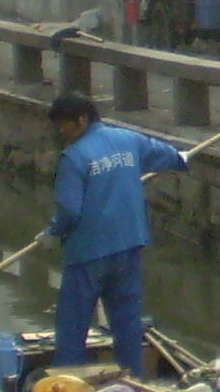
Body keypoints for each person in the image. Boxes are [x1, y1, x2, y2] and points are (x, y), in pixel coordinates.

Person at [44, 92, 188, 376]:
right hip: (128, 245)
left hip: (88, 252)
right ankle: (132, 381)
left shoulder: (74, 157)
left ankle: (66, 388)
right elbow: (164, 154)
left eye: (65, 125)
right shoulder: (127, 140)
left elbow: (70, 211)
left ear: (82, 120)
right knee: (127, 323)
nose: (62, 132)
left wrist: (52, 231)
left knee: (73, 326)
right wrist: (180, 159)